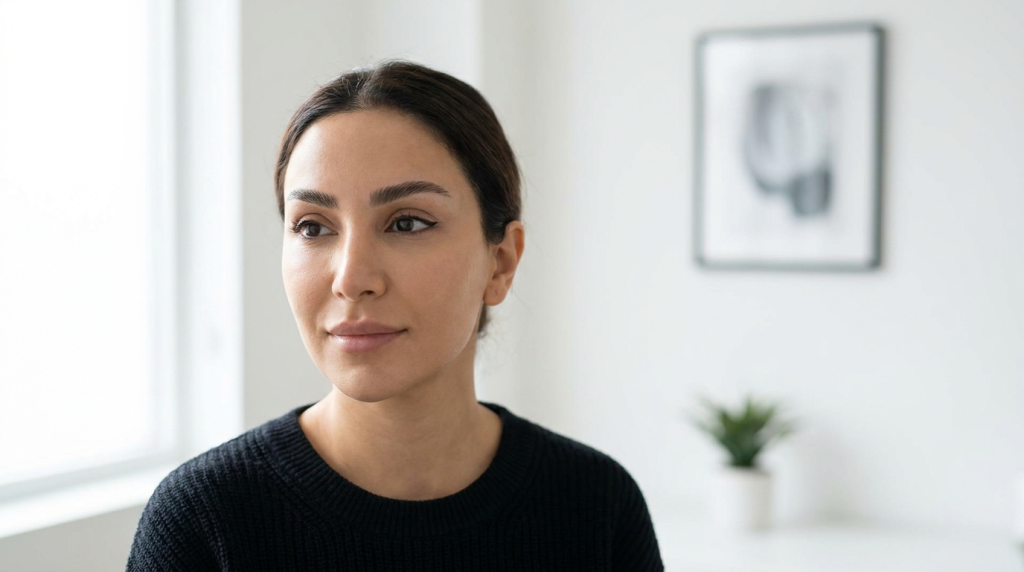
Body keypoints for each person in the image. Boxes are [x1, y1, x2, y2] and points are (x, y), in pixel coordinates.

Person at [127, 60, 663, 571]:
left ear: (500, 262)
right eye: (313, 226)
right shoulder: (204, 520)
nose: (350, 277)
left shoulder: (596, 505)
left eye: (407, 223)